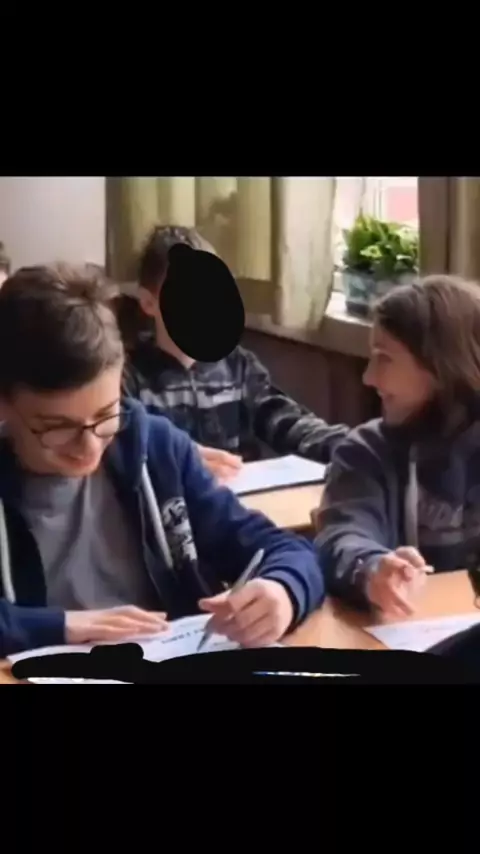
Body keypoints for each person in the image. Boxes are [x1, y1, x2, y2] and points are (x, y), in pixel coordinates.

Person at [0, 263, 325, 658]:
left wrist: (282, 590)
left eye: (106, 415)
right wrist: (60, 626)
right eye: (57, 427)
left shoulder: (156, 449)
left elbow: (282, 548)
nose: (88, 447)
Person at [121, 225, 349, 484]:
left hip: (241, 500)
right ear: (148, 302)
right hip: (175, 503)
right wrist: (181, 459)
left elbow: (286, 420)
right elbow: (124, 448)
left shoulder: (237, 366)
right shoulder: (129, 375)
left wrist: (350, 446)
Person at [314, 274, 480, 619]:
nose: (368, 377)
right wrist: (372, 569)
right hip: (412, 635)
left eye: (384, 358)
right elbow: (342, 535)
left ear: (442, 366)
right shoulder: (366, 452)